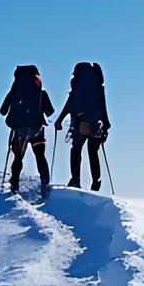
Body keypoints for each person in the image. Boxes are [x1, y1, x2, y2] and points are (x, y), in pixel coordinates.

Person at [56, 61, 111, 191]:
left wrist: (60, 120)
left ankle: (76, 179)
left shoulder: (77, 83)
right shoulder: (98, 85)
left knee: (76, 150)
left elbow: (70, 103)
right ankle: (96, 181)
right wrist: (106, 124)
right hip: (96, 123)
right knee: (93, 152)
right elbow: (103, 105)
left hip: (79, 122)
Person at [0, 64, 54, 194]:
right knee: (40, 156)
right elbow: (50, 112)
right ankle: (45, 184)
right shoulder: (41, 94)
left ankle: (15, 186)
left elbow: (2, 111)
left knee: (18, 157)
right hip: (37, 129)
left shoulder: (13, 93)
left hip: (19, 130)